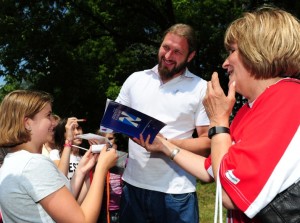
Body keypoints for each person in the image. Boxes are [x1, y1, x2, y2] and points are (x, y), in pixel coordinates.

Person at [136, 6, 300, 223]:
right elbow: (213, 169)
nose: (225, 63)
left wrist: (219, 121)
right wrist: (163, 145)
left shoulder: (288, 100)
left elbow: (230, 195)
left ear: (258, 50)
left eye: (232, 51)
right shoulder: (249, 109)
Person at [116, 23, 210, 223]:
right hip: (132, 186)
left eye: (177, 52)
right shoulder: (135, 79)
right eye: (166, 47)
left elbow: (207, 143)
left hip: (177, 193)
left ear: (190, 56)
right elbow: (115, 120)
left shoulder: (201, 88)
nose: (168, 56)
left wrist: (164, 144)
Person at [0, 90, 117, 222]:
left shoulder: (12, 161)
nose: (54, 123)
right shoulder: (34, 164)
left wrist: (81, 170)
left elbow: (63, 204)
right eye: (48, 115)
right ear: (27, 123)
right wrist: (102, 168)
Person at [96, 132, 127, 223]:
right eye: (103, 139)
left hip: (120, 208)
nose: (107, 142)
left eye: (110, 138)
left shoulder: (123, 158)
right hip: (101, 210)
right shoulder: (93, 160)